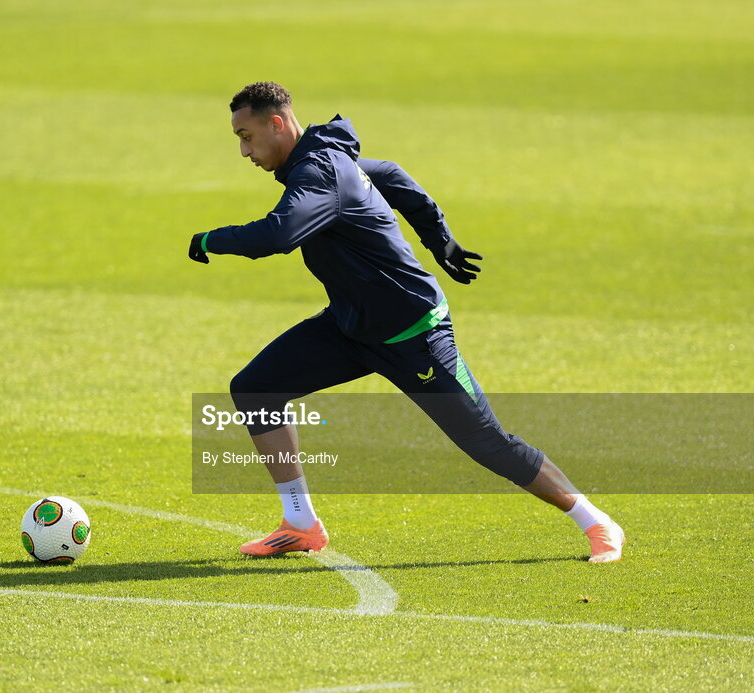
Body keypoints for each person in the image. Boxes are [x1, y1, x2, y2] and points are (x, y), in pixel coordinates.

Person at [188, 82, 624, 563]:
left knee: (486, 442)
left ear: (277, 123)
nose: (244, 151)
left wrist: (210, 239)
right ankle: (300, 523)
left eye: (246, 136)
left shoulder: (319, 171)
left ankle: (598, 523)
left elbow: (281, 233)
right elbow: (391, 176)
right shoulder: (325, 161)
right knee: (255, 388)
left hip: (415, 336)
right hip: (352, 328)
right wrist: (442, 241)